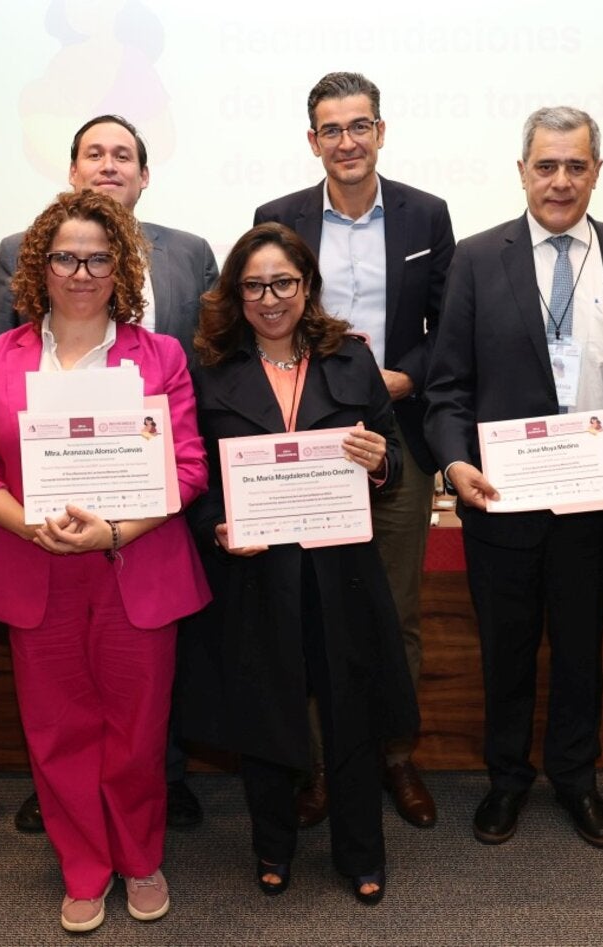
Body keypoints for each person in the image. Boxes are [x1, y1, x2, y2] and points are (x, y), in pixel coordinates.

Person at [0, 188, 209, 933]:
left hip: (134, 564)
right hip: (37, 569)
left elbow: (187, 468)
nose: (83, 271)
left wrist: (116, 532)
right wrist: (27, 527)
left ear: (121, 266)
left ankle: (140, 856)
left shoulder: (159, 355)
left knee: (136, 728)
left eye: (99, 257)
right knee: (58, 731)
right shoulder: (0, 357)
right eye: (66, 256)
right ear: (40, 265)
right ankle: (85, 867)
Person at [423, 107, 603, 848]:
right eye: (546, 165)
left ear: (596, 170)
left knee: (581, 650)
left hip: (598, 503)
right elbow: (447, 387)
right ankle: (506, 779)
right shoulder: (474, 258)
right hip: (502, 500)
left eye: (576, 165)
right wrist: (454, 458)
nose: (560, 181)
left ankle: (576, 777)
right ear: (523, 170)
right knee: (506, 648)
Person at [0, 113, 217, 832]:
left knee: (147, 680)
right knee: (61, 700)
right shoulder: (18, 254)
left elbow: (206, 372)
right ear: (73, 172)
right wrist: (22, 508)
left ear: (144, 174)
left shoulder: (189, 254)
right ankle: (71, 806)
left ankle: (157, 782)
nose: (109, 165)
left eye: (124, 155)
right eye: (94, 153)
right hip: (40, 518)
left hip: (149, 512)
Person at [181, 222, 418, 904]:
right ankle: (272, 845)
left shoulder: (349, 359)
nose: (269, 297)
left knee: (351, 714)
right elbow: (195, 476)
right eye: (252, 285)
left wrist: (379, 463)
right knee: (265, 713)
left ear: (306, 285)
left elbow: (393, 456)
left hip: (340, 570)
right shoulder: (212, 369)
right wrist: (216, 528)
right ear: (235, 293)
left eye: (282, 281)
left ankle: (361, 852)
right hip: (256, 572)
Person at [254, 71, 453, 830]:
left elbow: (448, 332)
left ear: (380, 131)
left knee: (395, 606)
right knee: (311, 603)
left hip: (392, 427)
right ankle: (318, 766)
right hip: (304, 433)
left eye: (359, 125)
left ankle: (394, 754)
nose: (347, 141)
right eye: (331, 129)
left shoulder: (425, 215)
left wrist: (403, 379)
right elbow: (263, 318)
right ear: (313, 141)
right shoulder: (279, 217)